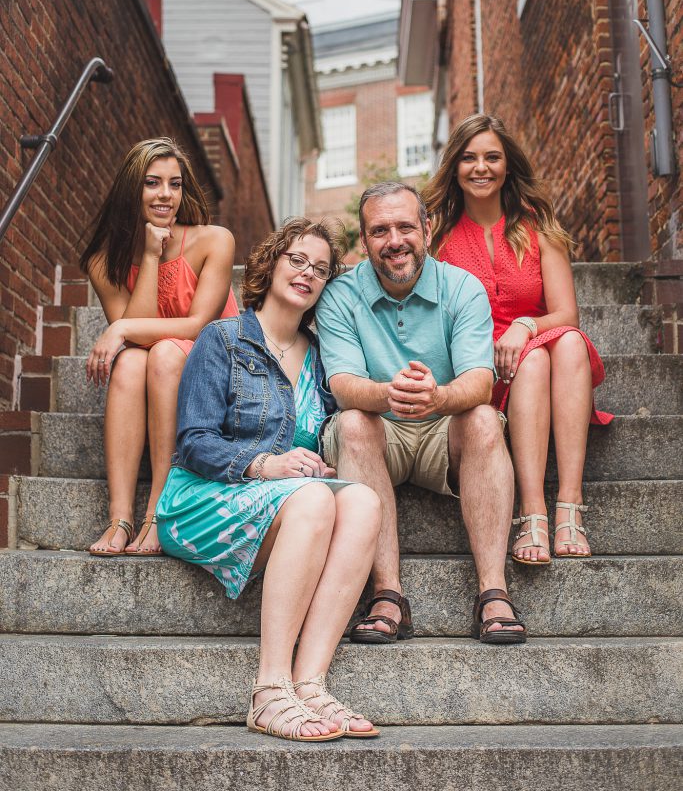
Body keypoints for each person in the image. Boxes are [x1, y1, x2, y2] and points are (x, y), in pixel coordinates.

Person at [156, 218, 381, 742]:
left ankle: (309, 685)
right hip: (202, 497)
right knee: (311, 502)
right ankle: (269, 691)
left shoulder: (322, 357)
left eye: (321, 269)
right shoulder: (224, 339)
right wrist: (266, 464)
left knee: (364, 502)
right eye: (297, 260)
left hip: (282, 499)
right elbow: (192, 441)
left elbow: (312, 443)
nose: (307, 273)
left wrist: (315, 466)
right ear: (271, 263)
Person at [315, 181, 526, 646]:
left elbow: (481, 380)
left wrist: (439, 399)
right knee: (351, 422)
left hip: (442, 433)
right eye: (379, 230)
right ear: (364, 239)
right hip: (376, 431)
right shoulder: (340, 295)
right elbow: (343, 385)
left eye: (405, 226)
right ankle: (388, 595)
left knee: (485, 418)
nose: (394, 240)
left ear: (427, 230)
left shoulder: (461, 288)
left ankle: (494, 592)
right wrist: (388, 393)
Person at [423, 114, 613, 565]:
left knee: (565, 343)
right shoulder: (438, 238)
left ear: (508, 165)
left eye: (492, 156)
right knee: (536, 360)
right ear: (454, 167)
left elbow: (567, 313)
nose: (481, 167)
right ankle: (532, 510)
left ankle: (568, 505)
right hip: (481, 370)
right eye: (468, 158)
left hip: (540, 359)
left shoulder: (538, 226)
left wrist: (525, 326)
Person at [80, 137, 238, 556]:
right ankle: (120, 518)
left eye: (175, 184)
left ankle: (158, 514)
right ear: (133, 187)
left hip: (216, 368)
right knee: (131, 362)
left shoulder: (213, 240)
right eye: (153, 183)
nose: (166, 195)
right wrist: (150, 256)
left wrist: (122, 328)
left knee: (164, 351)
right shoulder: (103, 261)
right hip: (152, 373)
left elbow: (200, 326)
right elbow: (131, 337)